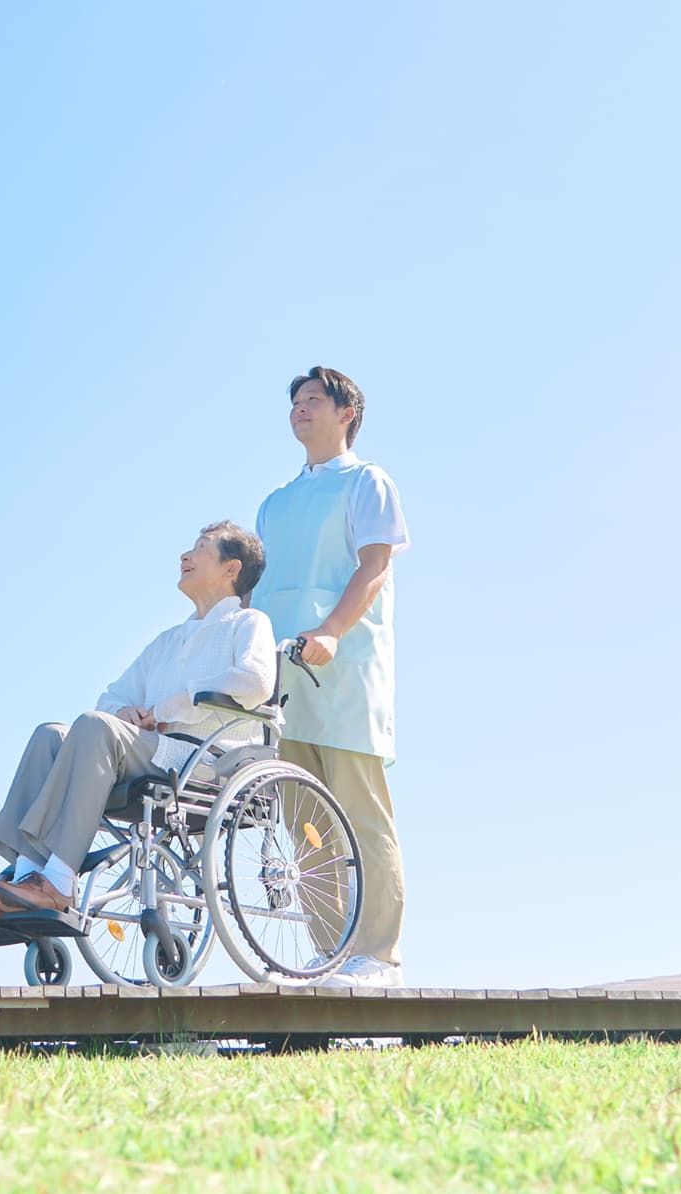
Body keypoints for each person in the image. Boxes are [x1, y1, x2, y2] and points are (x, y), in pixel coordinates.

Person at [0, 523, 276, 924]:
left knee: (96, 727)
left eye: (201, 547)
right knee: (50, 736)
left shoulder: (248, 623)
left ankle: (59, 881)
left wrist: (173, 705)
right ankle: (23, 879)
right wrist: (124, 712)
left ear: (231, 568)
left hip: (208, 762)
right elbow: (112, 697)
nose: (185, 556)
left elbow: (256, 681)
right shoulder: (167, 641)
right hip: (153, 752)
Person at [253, 366, 410, 988]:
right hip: (280, 676)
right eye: (296, 401)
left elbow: (374, 566)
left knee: (361, 816)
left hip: (343, 669)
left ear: (347, 414)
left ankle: (378, 957)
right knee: (306, 822)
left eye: (314, 400)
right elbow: (256, 590)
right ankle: (331, 955)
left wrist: (332, 631)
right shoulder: (274, 503)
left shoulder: (367, 481)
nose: (300, 408)